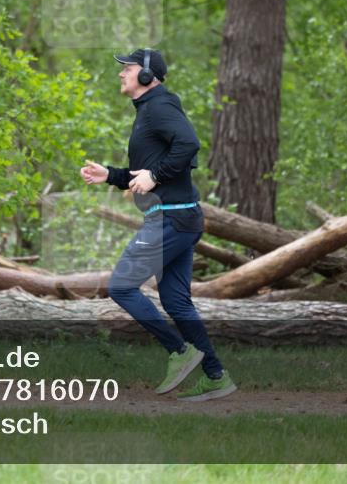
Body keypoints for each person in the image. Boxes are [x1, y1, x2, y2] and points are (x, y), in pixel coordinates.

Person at [80, 48, 236, 401]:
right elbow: (144, 174)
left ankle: (179, 352)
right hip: (179, 217)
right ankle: (215, 375)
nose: (121, 74)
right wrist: (110, 176)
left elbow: (189, 145)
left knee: (121, 287)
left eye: (128, 68)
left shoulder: (160, 106)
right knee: (177, 302)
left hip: (171, 217)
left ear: (148, 76)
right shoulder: (149, 111)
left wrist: (155, 175)